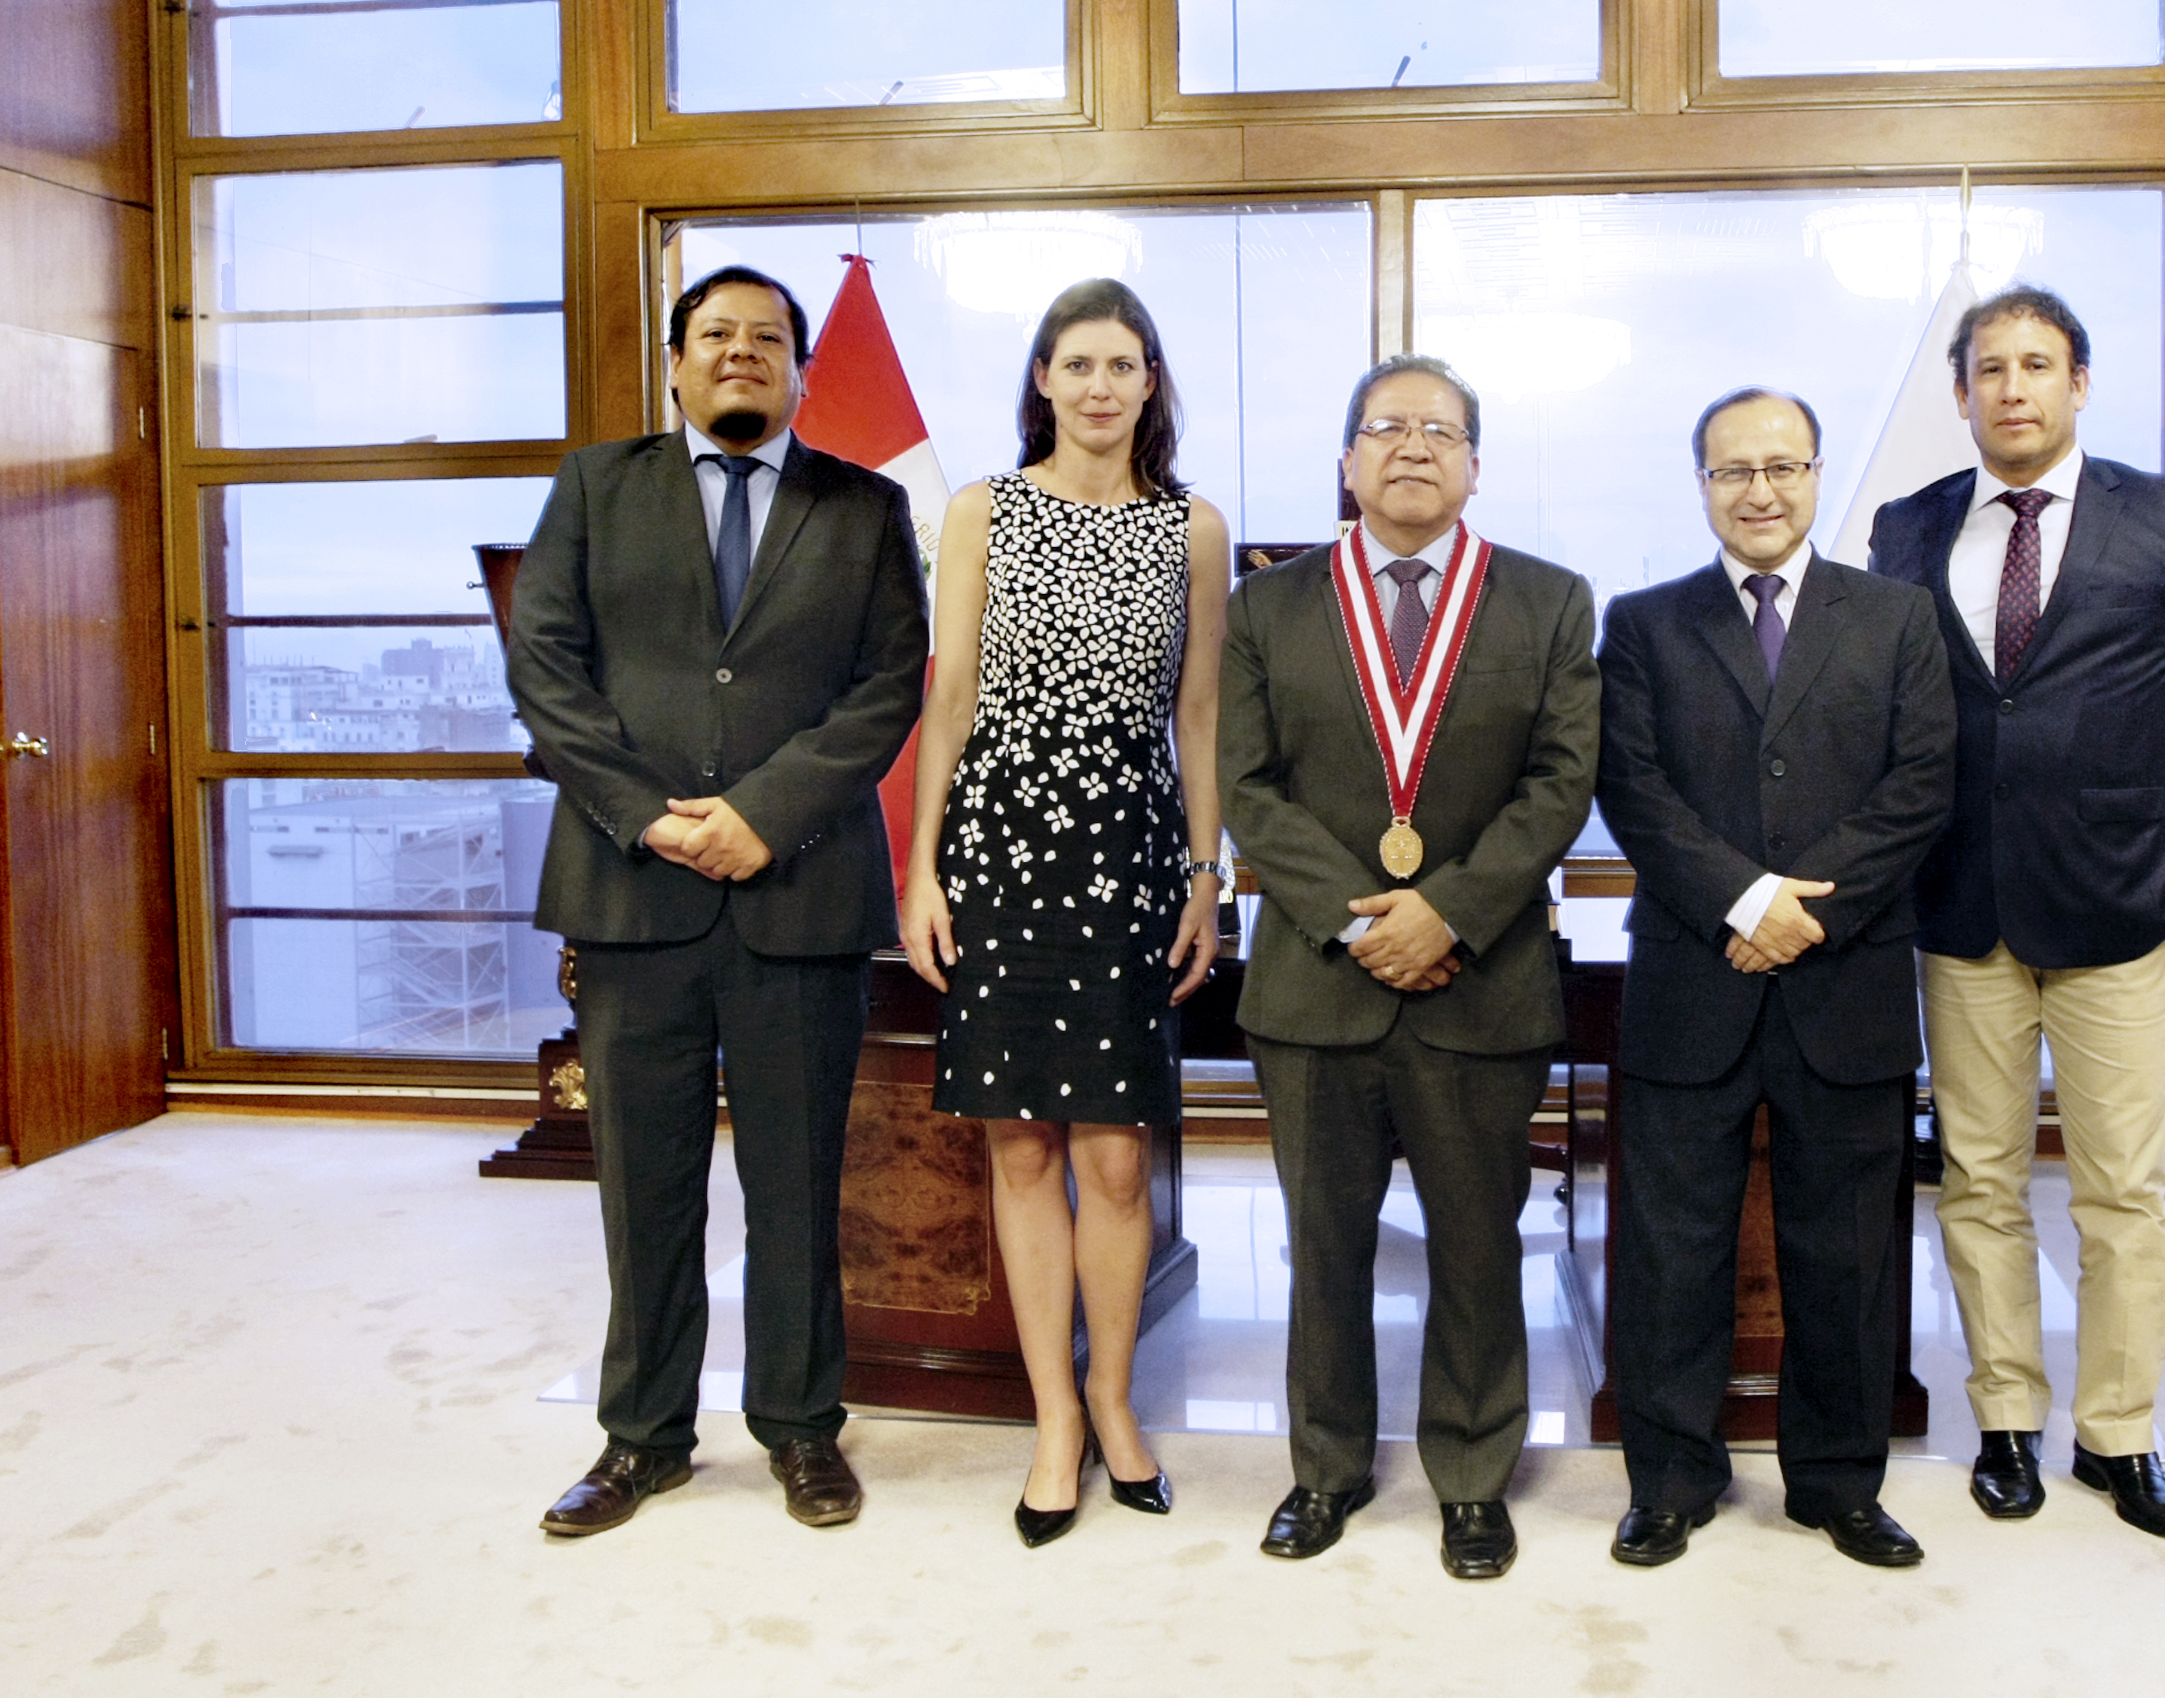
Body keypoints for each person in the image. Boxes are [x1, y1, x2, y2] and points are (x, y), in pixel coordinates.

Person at [508, 265, 929, 1537]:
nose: (741, 353)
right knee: (645, 1183)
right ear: (677, 361)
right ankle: (641, 1437)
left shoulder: (864, 507)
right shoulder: (595, 486)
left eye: (767, 338)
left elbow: (888, 681)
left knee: (801, 1181)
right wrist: (647, 812)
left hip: (797, 889)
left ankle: (803, 1428)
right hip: (631, 887)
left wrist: (763, 814)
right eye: (717, 335)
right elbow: (546, 666)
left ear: (800, 367)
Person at [1868, 286, 2165, 1541]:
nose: (2010, 387)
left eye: (2035, 365)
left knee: (2118, 1188)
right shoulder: (1906, 525)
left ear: (2078, 383)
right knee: (1977, 1180)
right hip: (1960, 904)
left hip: (2118, 906)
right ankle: (2005, 1421)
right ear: (1959, 393)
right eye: (1987, 368)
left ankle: (2117, 1437)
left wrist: (2158, 808)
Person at [1218, 354, 1600, 1582]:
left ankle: (1474, 1478)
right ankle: (1324, 1468)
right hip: (1315, 986)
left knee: (1476, 1246)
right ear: (1346, 460)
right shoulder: (1266, 606)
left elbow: (1560, 778)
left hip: (1479, 980)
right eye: (1386, 427)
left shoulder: (1546, 602)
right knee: (1320, 1243)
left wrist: (1447, 911)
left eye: (1439, 430)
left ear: (1475, 464)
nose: (1412, 447)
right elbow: (1246, 785)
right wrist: (1357, 915)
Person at [1594, 387, 1956, 1570]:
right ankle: (1668, 1478)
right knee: (1666, 1249)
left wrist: (1800, 911)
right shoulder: (1642, 624)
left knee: (1849, 1252)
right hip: (1690, 980)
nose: (1757, 489)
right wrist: (1742, 901)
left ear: (1814, 474)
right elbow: (1632, 789)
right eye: (1730, 470)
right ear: (1700, 485)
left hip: (1842, 983)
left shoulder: (1896, 616)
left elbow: (1919, 784)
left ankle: (1841, 1481)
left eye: (1780, 466)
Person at [899, 278, 1229, 1547]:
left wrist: (1207, 873)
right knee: (1023, 1148)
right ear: (1042, 378)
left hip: (1132, 858)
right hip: (999, 853)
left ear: (1151, 384)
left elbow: (1196, 717)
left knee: (1112, 1154)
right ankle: (1051, 1417)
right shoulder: (983, 510)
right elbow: (950, 702)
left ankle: (1113, 1393)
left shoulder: (1190, 527)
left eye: (1123, 364)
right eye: (1076, 362)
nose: (1100, 385)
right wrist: (923, 869)